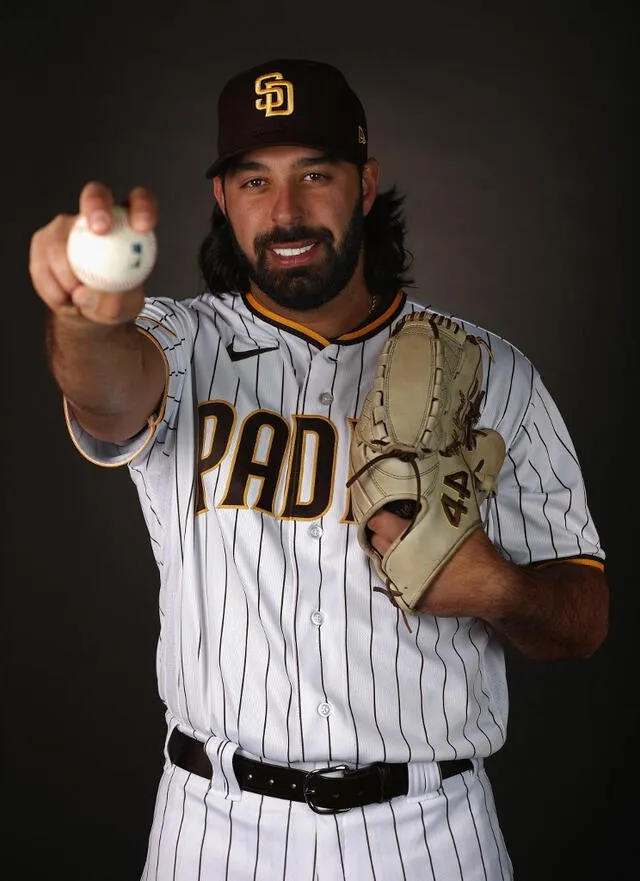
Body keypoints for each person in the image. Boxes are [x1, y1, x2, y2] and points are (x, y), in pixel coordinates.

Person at [29, 57, 609, 881]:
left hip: (429, 832)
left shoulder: (493, 371)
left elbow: (585, 616)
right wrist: (81, 316)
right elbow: (108, 393)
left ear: (365, 184)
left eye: (316, 173)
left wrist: (499, 591)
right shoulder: (179, 343)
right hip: (212, 827)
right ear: (223, 200)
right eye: (255, 180)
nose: (287, 210)